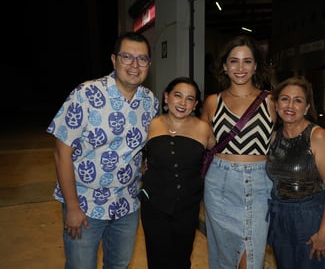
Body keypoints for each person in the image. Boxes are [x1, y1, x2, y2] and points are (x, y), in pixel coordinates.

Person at [46, 31, 160, 269]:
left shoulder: (150, 101)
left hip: (127, 204)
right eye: (127, 57)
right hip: (85, 204)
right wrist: (73, 207)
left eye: (142, 59)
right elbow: (61, 154)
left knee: (119, 264)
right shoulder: (85, 94)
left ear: (149, 64)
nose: (134, 65)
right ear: (113, 59)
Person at [200, 35, 277, 269]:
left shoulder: (272, 101)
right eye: (234, 61)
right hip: (219, 183)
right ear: (225, 66)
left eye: (247, 61)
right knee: (223, 257)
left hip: (259, 184)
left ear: (255, 66)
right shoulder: (213, 102)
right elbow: (202, 141)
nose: (240, 68)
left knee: (251, 257)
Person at [266, 77, 325, 269]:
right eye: (284, 99)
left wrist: (324, 233)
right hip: (280, 215)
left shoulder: (317, 136)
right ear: (276, 104)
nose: (290, 105)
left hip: (310, 217)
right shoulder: (274, 137)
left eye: (298, 100)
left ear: (307, 107)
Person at [139, 76, 215, 269]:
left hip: (187, 208)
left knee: (181, 259)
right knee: (157, 259)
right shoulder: (151, 124)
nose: (182, 102)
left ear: (195, 104)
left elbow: (218, 160)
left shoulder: (203, 128)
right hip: (154, 206)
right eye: (178, 96)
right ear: (166, 97)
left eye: (189, 98)